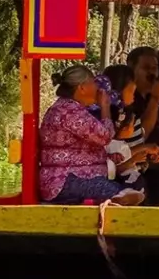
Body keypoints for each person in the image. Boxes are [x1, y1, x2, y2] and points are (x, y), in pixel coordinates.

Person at [40, 64, 143, 206]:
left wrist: (106, 158)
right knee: (121, 193)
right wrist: (105, 106)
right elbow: (106, 136)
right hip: (65, 180)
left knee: (129, 190)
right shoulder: (69, 111)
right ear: (81, 88)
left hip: (72, 177)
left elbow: (81, 148)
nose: (98, 88)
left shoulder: (70, 108)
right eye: (93, 83)